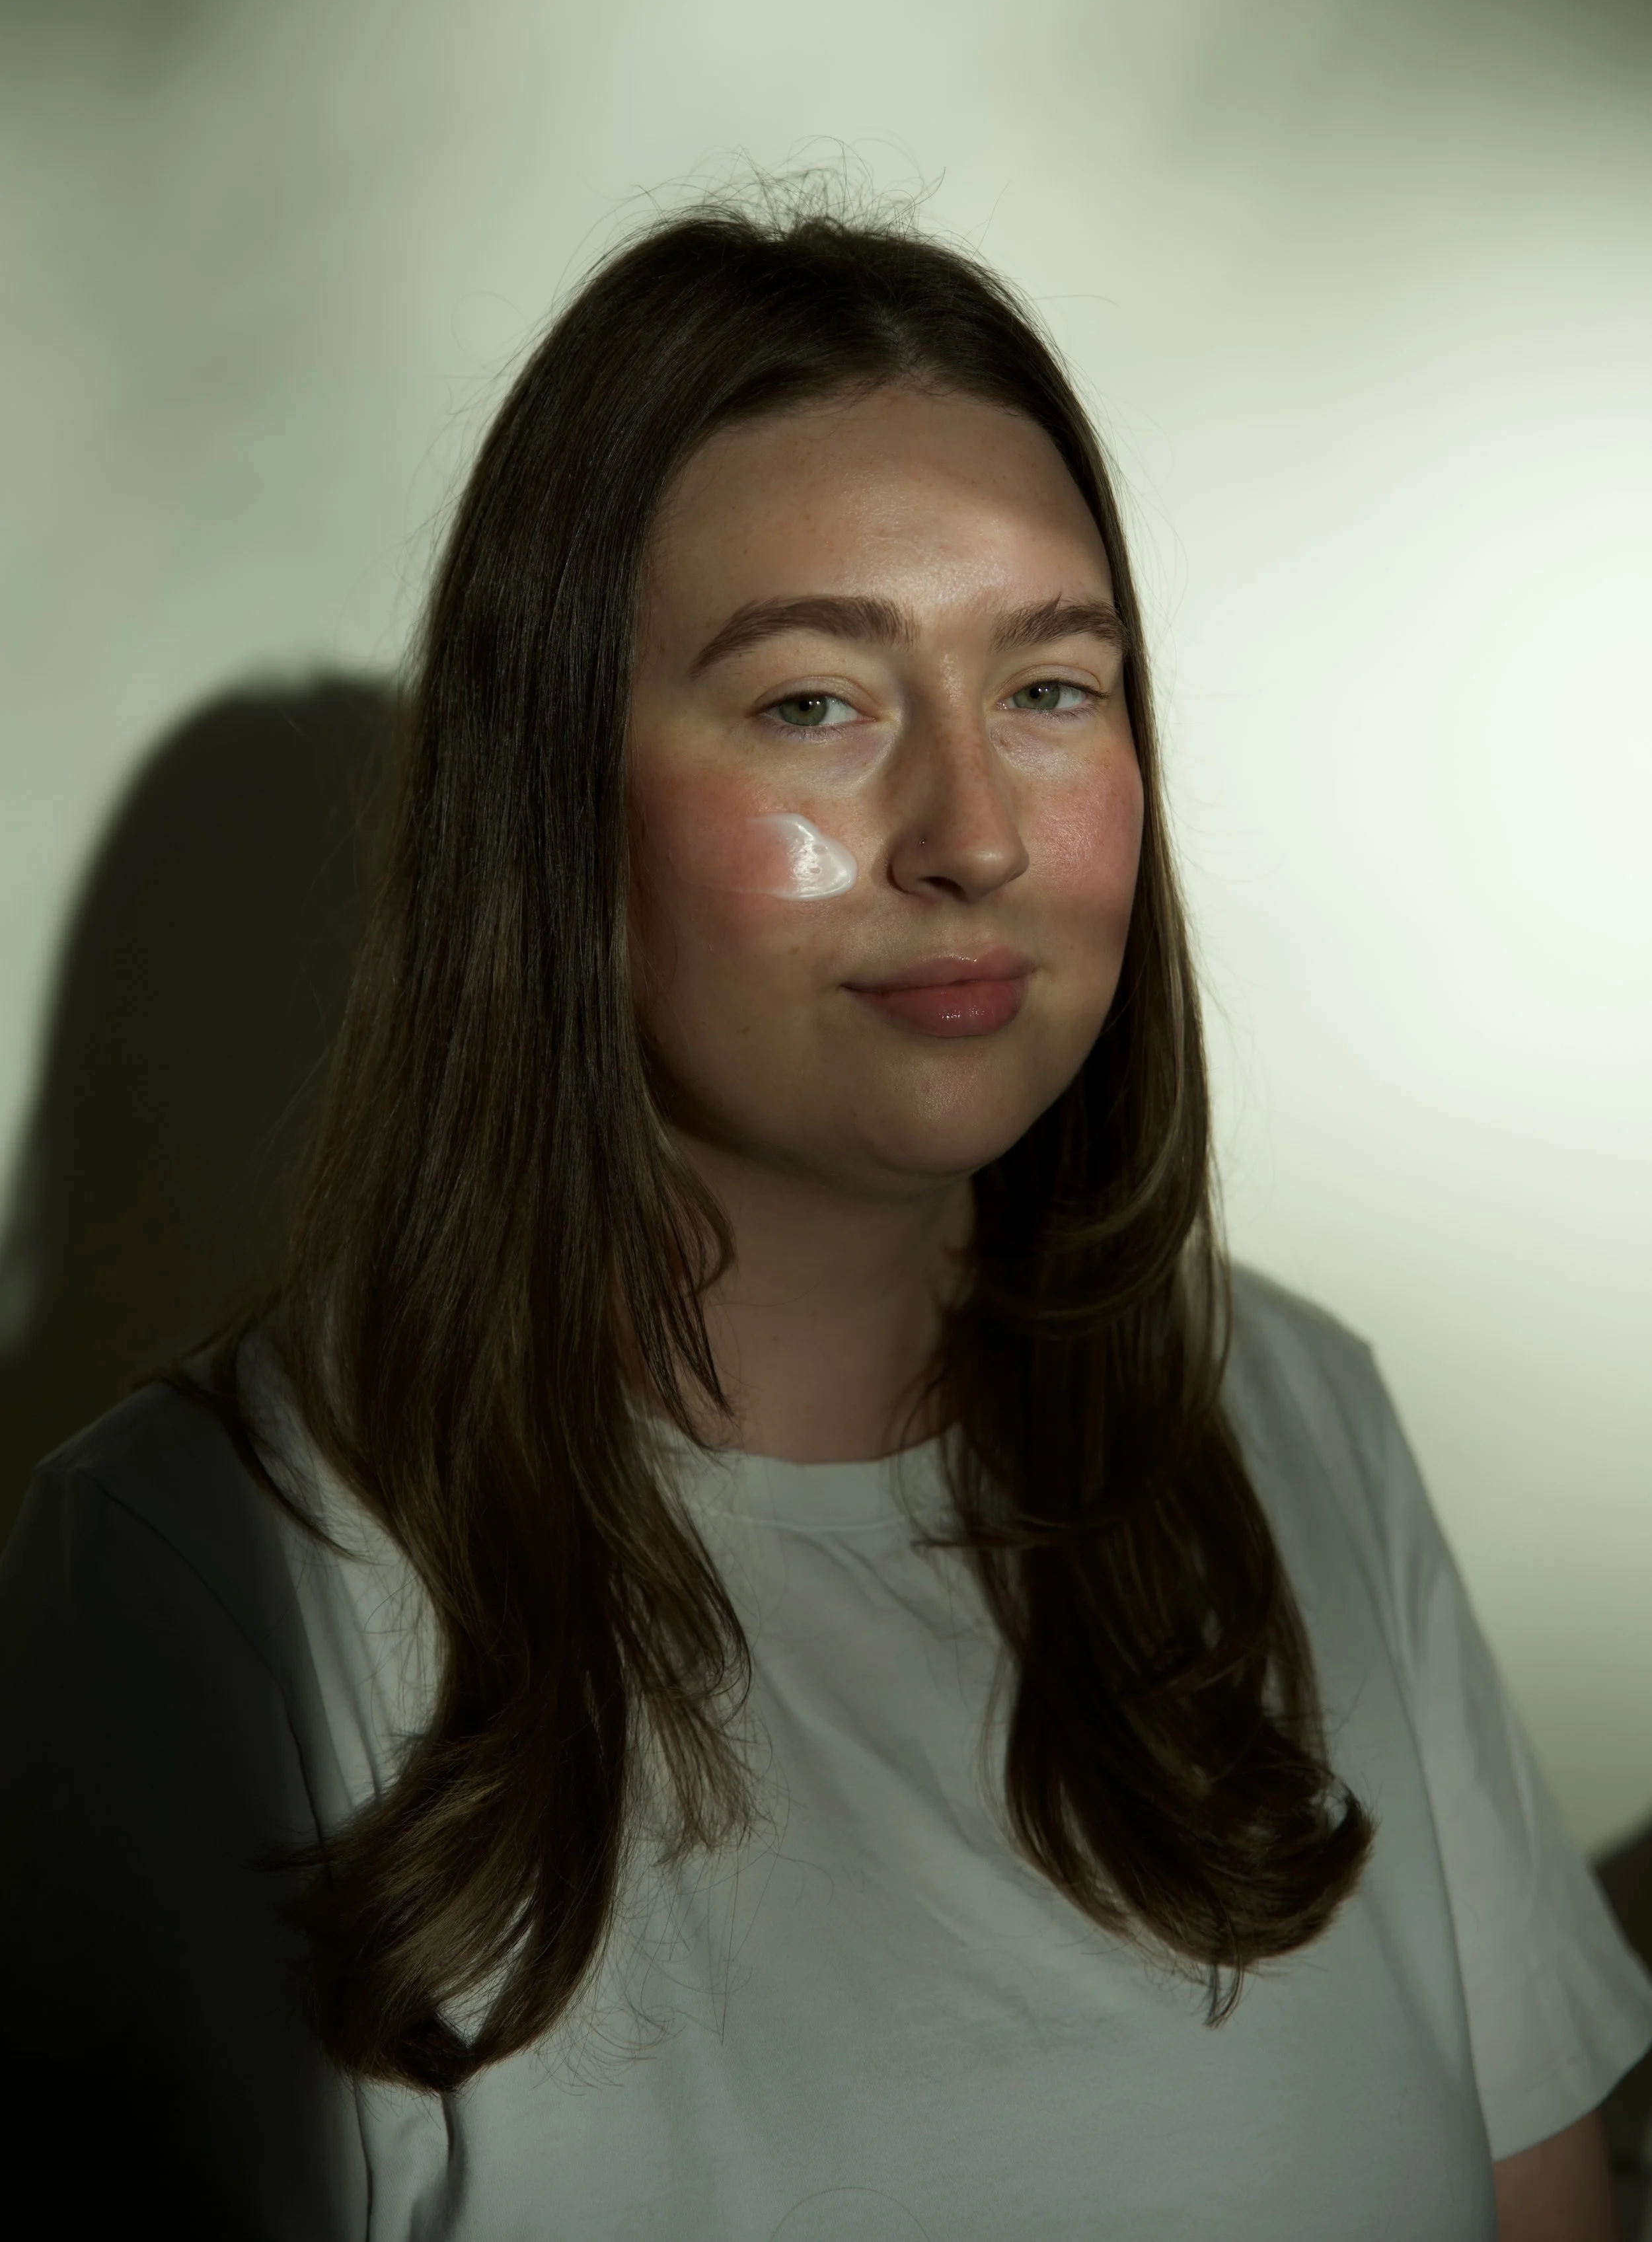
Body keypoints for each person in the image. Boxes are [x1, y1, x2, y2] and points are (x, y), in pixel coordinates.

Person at [2, 200, 1647, 2242]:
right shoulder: (202, 1568)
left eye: (1050, 685)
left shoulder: (1288, 1409)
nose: (970, 833)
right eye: (813, 703)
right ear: (553, 810)